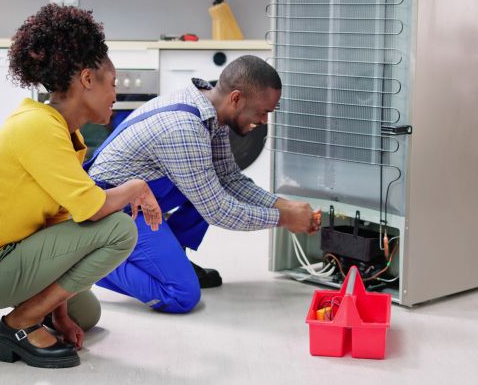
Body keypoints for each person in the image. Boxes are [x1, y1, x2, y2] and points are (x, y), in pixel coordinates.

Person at [0, 4, 162, 369]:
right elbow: (93, 208)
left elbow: (59, 222)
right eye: (113, 82)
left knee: (85, 313)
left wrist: (60, 316)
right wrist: (137, 186)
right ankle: (16, 325)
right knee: (119, 230)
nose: (116, 93)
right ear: (86, 79)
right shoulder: (39, 127)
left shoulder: (66, 133)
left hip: (3, 250)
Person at [85, 55, 321, 314]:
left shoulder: (210, 113)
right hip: (112, 208)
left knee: (208, 182)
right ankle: (87, 262)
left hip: (143, 195)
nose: (264, 121)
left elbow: (229, 179)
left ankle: (173, 256)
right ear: (235, 99)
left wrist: (284, 205)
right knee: (181, 295)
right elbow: (217, 210)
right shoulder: (185, 128)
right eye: (263, 112)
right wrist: (284, 218)